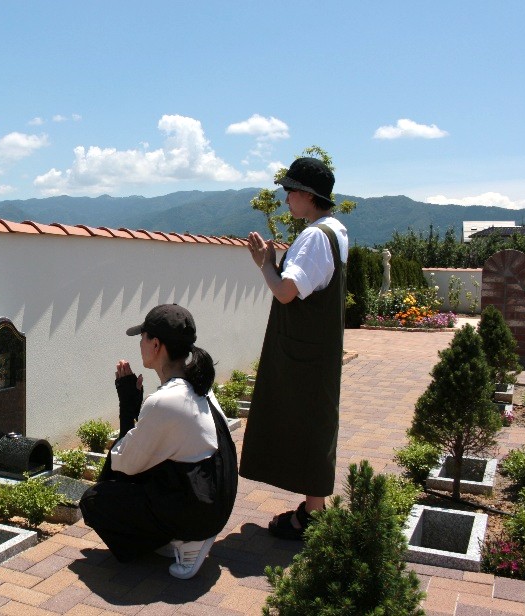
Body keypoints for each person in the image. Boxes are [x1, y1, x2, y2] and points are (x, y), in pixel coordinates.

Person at [79, 304, 238, 580]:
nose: (139, 344)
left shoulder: (165, 400)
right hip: (215, 499)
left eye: (142, 338)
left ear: (155, 345)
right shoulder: (198, 385)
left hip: (201, 512)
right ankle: (174, 534)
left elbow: (122, 465)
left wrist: (128, 409)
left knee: (94, 501)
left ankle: (187, 540)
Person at [239, 157, 348, 540]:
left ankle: (312, 517)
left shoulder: (316, 236)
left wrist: (265, 264)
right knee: (316, 423)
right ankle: (314, 509)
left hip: (304, 353)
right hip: (317, 348)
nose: (286, 199)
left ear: (307, 194)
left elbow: (286, 291)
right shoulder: (337, 230)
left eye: (290, 191)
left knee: (308, 425)